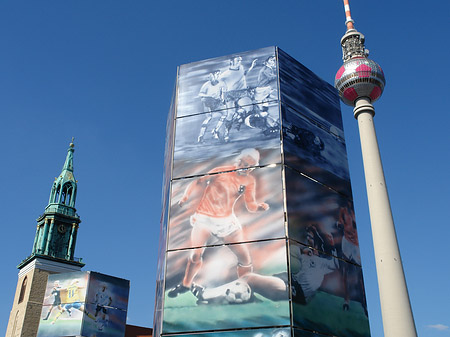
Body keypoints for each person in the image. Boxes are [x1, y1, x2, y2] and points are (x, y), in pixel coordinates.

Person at [168, 148, 269, 298]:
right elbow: (198, 181)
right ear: (239, 160)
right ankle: (185, 285)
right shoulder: (220, 171)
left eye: (251, 166)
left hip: (227, 221)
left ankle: (247, 288)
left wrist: (259, 207)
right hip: (204, 218)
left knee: (245, 258)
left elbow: (251, 205)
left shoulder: (249, 181)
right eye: (245, 163)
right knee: (195, 255)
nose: (247, 168)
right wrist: (185, 197)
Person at [211, 56, 257, 142]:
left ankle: (240, 118)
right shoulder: (224, 75)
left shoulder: (241, 68)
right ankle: (225, 133)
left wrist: (251, 67)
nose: (240, 61)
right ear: (231, 61)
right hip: (230, 94)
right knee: (230, 113)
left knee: (249, 107)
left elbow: (243, 74)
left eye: (240, 60)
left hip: (242, 92)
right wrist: (221, 97)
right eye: (238, 60)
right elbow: (219, 86)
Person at [337, 202, 367, 315]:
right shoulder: (343, 210)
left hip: (355, 244)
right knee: (345, 272)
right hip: (347, 242)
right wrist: (339, 224)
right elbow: (340, 222)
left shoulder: (355, 212)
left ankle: (364, 304)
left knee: (360, 276)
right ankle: (346, 300)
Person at [197, 70, 227, 143]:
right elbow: (200, 94)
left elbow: (223, 93)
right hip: (208, 102)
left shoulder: (222, 83)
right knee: (209, 118)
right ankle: (201, 136)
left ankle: (215, 130)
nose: (219, 76)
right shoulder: (207, 84)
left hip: (217, 102)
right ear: (213, 75)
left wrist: (222, 99)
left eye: (220, 74)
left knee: (224, 114)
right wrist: (209, 96)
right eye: (217, 74)